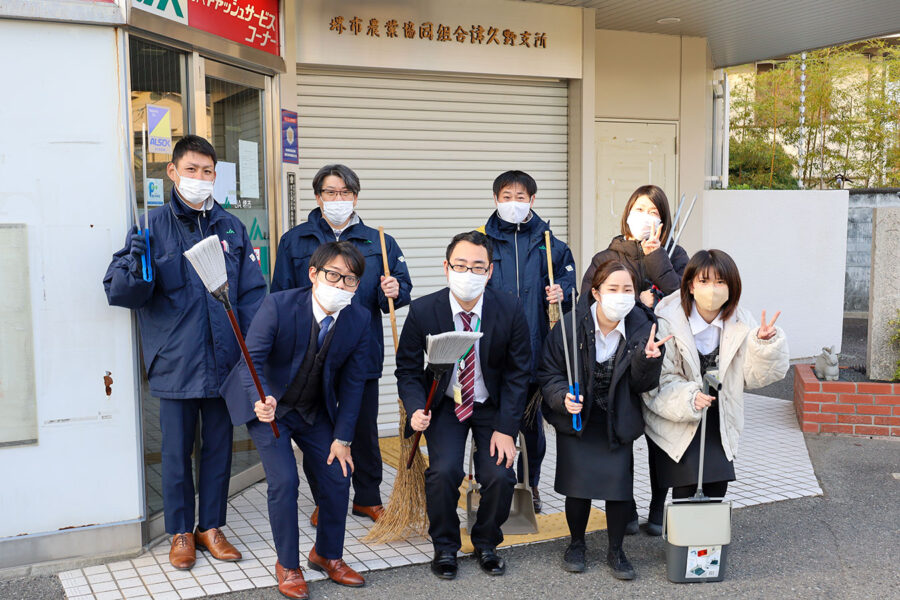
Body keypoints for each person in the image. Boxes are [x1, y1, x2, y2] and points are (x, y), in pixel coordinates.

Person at [104, 135, 266, 570]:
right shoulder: (151, 227)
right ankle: (180, 531)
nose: (199, 178)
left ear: (217, 176)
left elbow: (252, 294)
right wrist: (134, 266)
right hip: (176, 362)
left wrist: (252, 351)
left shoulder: (230, 227)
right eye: (191, 170)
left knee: (219, 449)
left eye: (207, 171)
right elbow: (123, 294)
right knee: (175, 452)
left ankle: (210, 527)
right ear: (173, 172)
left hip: (225, 362)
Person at [220, 242, 372, 599]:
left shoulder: (359, 318)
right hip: (270, 407)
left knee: (338, 475)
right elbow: (251, 359)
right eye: (333, 275)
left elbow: (353, 384)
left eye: (350, 279)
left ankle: (327, 554)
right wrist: (261, 398)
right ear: (313, 274)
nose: (340, 284)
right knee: (285, 481)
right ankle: (288, 564)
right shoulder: (279, 305)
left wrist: (343, 438)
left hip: (313, 410)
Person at [271, 164, 412, 526]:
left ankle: (367, 497)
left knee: (361, 428)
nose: (338, 200)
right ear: (318, 197)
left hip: (359, 352)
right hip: (311, 354)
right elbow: (281, 296)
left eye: (345, 193)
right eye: (331, 193)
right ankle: (326, 497)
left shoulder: (379, 240)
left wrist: (395, 291)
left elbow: (401, 291)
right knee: (318, 430)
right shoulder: (296, 240)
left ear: (355, 197)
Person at [395, 231, 531, 581]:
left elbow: (519, 373)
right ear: (446, 267)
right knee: (443, 473)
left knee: (500, 475)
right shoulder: (424, 310)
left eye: (477, 267)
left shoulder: (510, 308)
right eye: (460, 265)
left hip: (491, 407)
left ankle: (486, 541)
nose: (468, 273)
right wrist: (415, 408)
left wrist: (507, 429)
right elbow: (407, 369)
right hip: (445, 404)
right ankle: (444, 546)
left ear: (489, 272)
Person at [539, 260, 668, 580]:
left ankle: (616, 550)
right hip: (578, 418)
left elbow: (643, 385)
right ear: (595, 292)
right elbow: (548, 372)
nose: (621, 296)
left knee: (618, 489)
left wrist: (647, 361)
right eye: (613, 289)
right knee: (577, 488)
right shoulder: (570, 325)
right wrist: (560, 397)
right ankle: (577, 544)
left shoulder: (643, 326)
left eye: (628, 290)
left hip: (617, 417)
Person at [579, 184, 689, 535]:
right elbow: (587, 305)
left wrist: (657, 258)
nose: (646, 217)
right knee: (623, 435)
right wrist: (637, 303)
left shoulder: (676, 253)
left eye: (654, 212)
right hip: (621, 360)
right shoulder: (607, 256)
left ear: (664, 220)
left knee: (660, 436)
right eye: (640, 209)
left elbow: (682, 300)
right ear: (627, 214)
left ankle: (659, 505)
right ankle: (624, 505)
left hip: (664, 357)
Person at [642, 249, 788, 507]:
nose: (713, 289)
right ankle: (678, 538)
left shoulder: (742, 322)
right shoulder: (668, 320)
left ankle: (707, 545)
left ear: (732, 287)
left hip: (721, 416)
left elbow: (753, 377)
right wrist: (689, 398)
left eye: (721, 282)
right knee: (685, 488)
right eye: (704, 281)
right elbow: (660, 381)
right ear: (690, 285)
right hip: (678, 415)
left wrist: (763, 346)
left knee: (717, 486)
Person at [481, 170, 576, 513]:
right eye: (506, 197)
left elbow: (573, 286)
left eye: (520, 197)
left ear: (532, 201)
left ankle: (530, 483)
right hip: (493, 351)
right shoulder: (482, 242)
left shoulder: (550, 244)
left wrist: (562, 292)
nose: (513, 203)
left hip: (536, 350)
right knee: (495, 421)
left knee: (531, 427)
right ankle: (497, 482)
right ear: (496, 200)